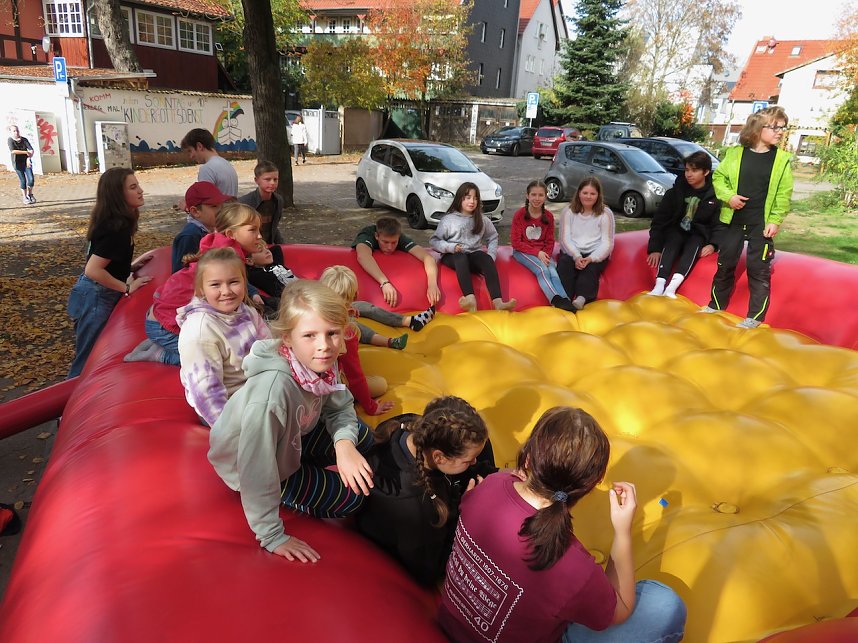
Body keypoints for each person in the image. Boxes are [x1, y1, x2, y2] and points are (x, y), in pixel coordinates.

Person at [438, 406, 687, 643]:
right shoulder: (572, 565)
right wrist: (622, 533)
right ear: (590, 485)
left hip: (451, 623)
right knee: (664, 604)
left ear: (528, 457)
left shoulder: (491, 484)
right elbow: (620, 609)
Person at [209, 280, 376, 562]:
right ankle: (295, 484)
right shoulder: (272, 394)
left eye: (332, 333)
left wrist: (344, 446)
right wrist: (272, 535)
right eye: (310, 335)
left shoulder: (320, 358)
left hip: (294, 434)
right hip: (255, 462)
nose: (324, 345)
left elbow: (340, 405)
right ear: (287, 338)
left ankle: (315, 458)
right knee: (352, 499)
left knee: (361, 435)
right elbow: (256, 467)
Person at [358, 396, 493, 586]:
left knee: (481, 445)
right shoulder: (417, 510)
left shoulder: (407, 425)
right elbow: (429, 572)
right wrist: (467, 513)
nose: (473, 462)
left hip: (438, 491)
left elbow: (467, 462)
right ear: (439, 458)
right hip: (423, 539)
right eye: (468, 460)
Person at [125, 203, 263, 365]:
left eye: (259, 230)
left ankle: (159, 342)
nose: (260, 236)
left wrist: (252, 292)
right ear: (231, 233)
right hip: (164, 326)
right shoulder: (226, 258)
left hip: (162, 319)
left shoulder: (220, 248)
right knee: (210, 360)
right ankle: (160, 354)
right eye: (253, 230)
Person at [702, 106, 794, 328]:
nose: (780, 132)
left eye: (782, 127)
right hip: (733, 219)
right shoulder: (736, 154)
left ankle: (755, 316)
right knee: (725, 264)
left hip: (760, 224)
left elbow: (784, 193)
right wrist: (729, 197)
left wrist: (775, 220)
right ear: (757, 127)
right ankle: (715, 305)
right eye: (775, 127)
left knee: (758, 269)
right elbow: (719, 178)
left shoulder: (781, 160)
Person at [66, 168, 153, 377]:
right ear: (117, 195)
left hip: (94, 293)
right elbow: (93, 269)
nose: (141, 191)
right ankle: (65, 405)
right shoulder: (117, 228)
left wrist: (127, 268)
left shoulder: (118, 221)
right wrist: (126, 287)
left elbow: (104, 258)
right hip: (95, 297)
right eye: (133, 187)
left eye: (138, 185)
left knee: (92, 353)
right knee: (86, 360)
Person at [177, 248, 271, 427]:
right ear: (201, 289)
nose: (226, 291)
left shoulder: (247, 312)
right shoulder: (199, 330)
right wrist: (232, 431)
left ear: (245, 282)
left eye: (234, 282)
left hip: (255, 392)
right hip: (225, 408)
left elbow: (270, 350)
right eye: (215, 285)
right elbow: (206, 392)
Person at [319, 265, 397, 417]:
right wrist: (371, 407)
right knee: (381, 384)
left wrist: (347, 312)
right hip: (329, 386)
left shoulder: (314, 313)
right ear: (355, 297)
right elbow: (355, 376)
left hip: (311, 378)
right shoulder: (346, 334)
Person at [430, 182, 517, 313]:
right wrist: (451, 247)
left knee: (486, 258)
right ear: (460, 199)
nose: (472, 201)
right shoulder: (448, 220)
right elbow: (434, 241)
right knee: (461, 258)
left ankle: (498, 302)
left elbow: (493, 236)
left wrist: (491, 255)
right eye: (468, 197)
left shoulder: (482, 219)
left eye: (475, 198)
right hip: (453, 255)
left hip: (473, 255)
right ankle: (470, 299)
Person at [646, 151, 720, 298]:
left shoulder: (714, 196)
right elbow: (659, 221)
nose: (689, 174)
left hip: (698, 234)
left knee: (694, 243)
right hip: (677, 231)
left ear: (705, 172)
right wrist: (654, 248)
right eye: (687, 170)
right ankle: (659, 284)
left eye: (694, 170)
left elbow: (718, 224)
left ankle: (672, 287)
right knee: (674, 237)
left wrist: (713, 244)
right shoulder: (675, 192)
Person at [511, 180, 576, 312]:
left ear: (545, 196)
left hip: (542, 253)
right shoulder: (520, 215)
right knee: (542, 269)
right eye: (533, 195)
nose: (537, 198)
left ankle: (565, 300)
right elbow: (516, 242)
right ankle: (555, 299)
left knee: (553, 271)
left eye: (540, 195)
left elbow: (550, 240)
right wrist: (537, 254)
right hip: (523, 251)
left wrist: (545, 255)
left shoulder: (549, 217)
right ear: (527, 195)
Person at [352, 216, 441, 310]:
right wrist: (385, 283)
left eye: (394, 242)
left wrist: (432, 285)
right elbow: (363, 256)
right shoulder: (367, 234)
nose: (390, 247)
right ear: (376, 236)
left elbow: (428, 258)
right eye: (385, 242)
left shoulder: (400, 238)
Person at [557, 178, 615, 310]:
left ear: (598, 195)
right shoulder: (568, 211)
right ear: (579, 193)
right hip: (573, 250)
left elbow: (607, 242)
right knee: (565, 264)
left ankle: (581, 298)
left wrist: (591, 258)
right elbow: (564, 238)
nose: (588, 196)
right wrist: (576, 256)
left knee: (591, 269)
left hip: (594, 252)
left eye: (592, 194)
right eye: (585, 193)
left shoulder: (606, 214)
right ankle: (565, 298)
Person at [171, 182, 232, 273]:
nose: (220, 210)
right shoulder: (190, 236)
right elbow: (181, 273)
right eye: (214, 206)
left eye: (221, 205)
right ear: (195, 211)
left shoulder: (212, 229)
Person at [180, 128, 239, 197]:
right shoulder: (226, 164)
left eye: (190, 151)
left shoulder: (207, 169)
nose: (191, 156)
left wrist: (186, 206)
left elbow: (206, 202)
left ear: (199, 146)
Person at [238, 160, 284, 245]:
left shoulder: (278, 201)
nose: (272, 183)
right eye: (267, 179)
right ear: (257, 180)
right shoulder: (245, 203)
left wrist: (281, 245)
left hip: (268, 246)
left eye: (275, 179)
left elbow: (274, 227)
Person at [7, 125, 35, 204]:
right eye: (14, 131)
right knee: (23, 180)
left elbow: (31, 150)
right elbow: (13, 151)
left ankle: (30, 194)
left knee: (31, 179)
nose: (16, 132)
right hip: (17, 163)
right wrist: (25, 152)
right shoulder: (10, 140)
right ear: (11, 132)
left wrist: (28, 158)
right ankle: (24, 197)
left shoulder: (24, 139)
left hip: (26, 162)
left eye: (17, 130)